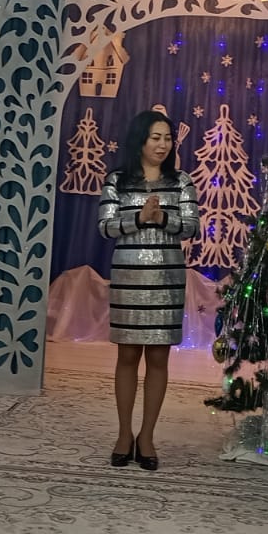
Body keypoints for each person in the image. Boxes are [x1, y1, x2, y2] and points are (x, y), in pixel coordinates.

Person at [99, 109, 199, 471]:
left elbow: (191, 227)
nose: (162, 145)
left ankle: (147, 437)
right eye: (156, 137)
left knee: (158, 359)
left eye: (167, 138)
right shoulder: (117, 181)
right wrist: (139, 218)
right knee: (127, 357)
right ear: (140, 139)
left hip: (167, 281)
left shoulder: (182, 181)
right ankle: (123, 434)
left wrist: (163, 218)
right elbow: (105, 227)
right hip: (128, 278)